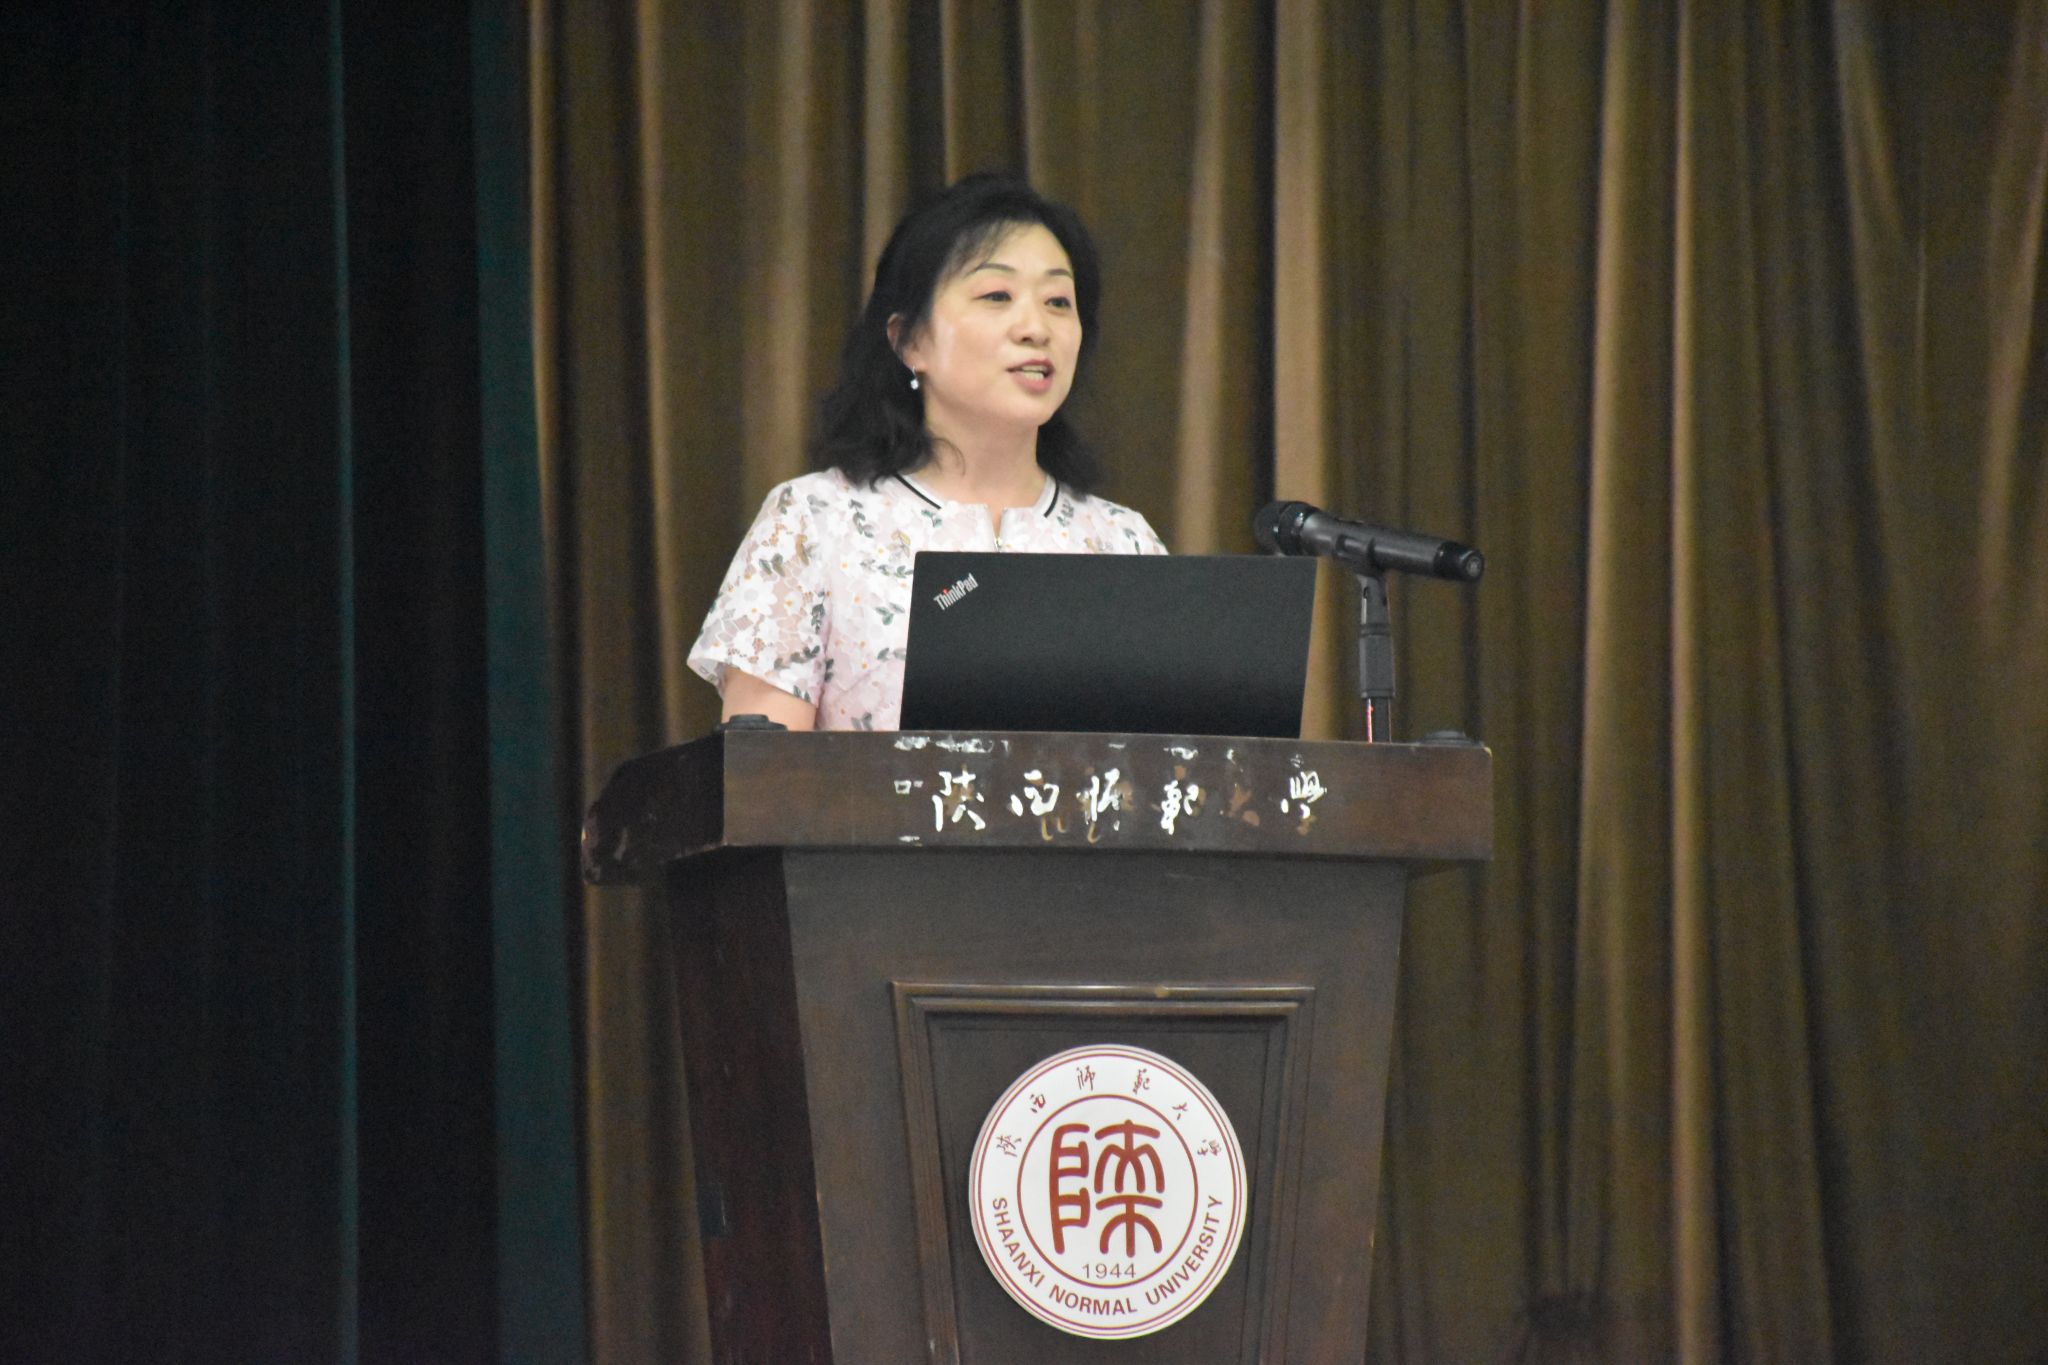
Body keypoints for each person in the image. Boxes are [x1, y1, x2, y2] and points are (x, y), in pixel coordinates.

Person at [687, 173, 1168, 731]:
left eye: (1059, 301)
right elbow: (765, 775)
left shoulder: (1124, 543)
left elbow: (1174, 768)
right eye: (997, 296)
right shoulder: (814, 522)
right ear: (909, 341)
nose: (1037, 328)